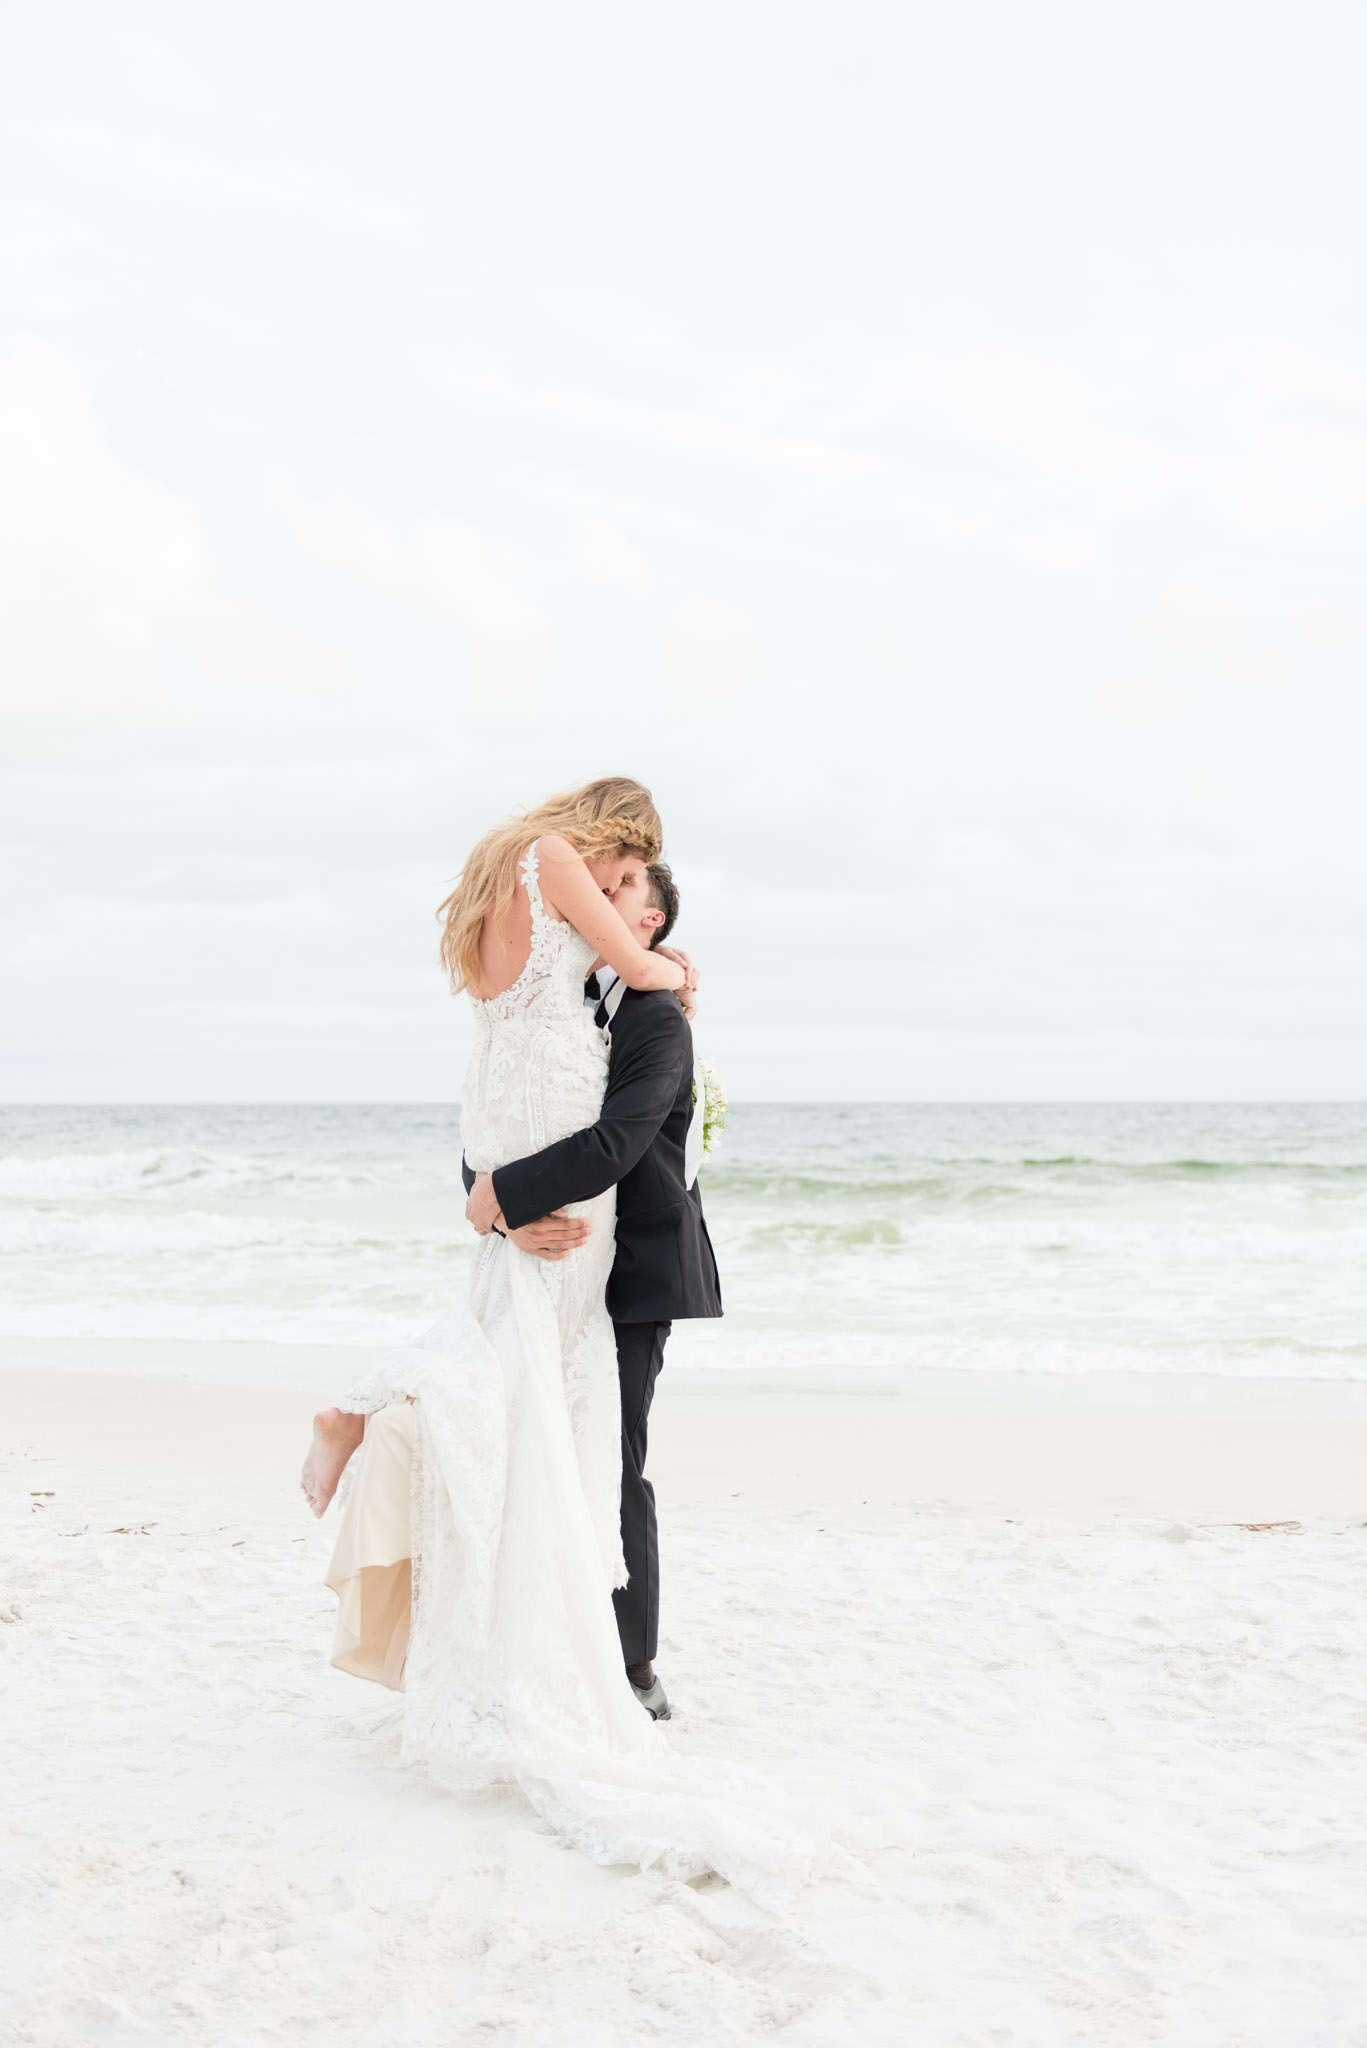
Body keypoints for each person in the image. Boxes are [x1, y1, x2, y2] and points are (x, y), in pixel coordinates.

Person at [299, 777, 694, 1799]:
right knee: (543, 1388)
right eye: (622, 870)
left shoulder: (491, 884)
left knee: (516, 1355)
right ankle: (370, 1404)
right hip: (550, 1126)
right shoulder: (550, 863)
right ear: (616, 830)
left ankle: (380, 1418)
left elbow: (500, 1124)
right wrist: (671, 965)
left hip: (502, 1113)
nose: (615, 892)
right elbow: (633, 974)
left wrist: (490, 1195)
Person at [463, 857, 721, 1725]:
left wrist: (504, 1193)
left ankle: (633, 1665)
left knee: (613, 1463)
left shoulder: (658, 1019)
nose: (593, 898)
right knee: (529, 1448)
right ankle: (537, 1643)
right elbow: (504, 1118)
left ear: (648, 928)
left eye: (617, 893)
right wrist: (498, 1210)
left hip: (635, 1273)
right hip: (550, 1264)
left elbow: (615, 1141)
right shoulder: (554, 1004)